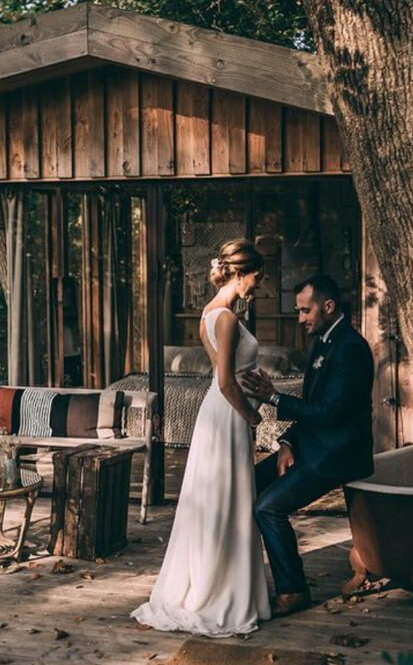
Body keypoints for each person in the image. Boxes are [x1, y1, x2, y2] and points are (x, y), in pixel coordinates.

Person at [131, 239, 272, 636]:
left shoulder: (210, 314)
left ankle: (221, 582)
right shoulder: (224, 317)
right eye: (255, 278)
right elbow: (225, 380)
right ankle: (217, 590)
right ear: (240, 273)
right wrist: (251, 415)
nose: (256, 287)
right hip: (227, 413)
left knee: (223, 499)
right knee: (226, 499)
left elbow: (227, 375)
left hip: (218, 412)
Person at [241, 274, 374, 617]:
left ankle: (293, 590)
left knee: (267, 507)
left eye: (305, 311)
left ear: (328, 307)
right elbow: (312, 403)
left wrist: (272, 397)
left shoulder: (351, 349)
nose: (300, 319)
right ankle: (240, 579)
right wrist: (286, 442)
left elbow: (328, 414)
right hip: (310, 444)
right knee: (245, 486)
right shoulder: (324, 340)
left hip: (337, 453)